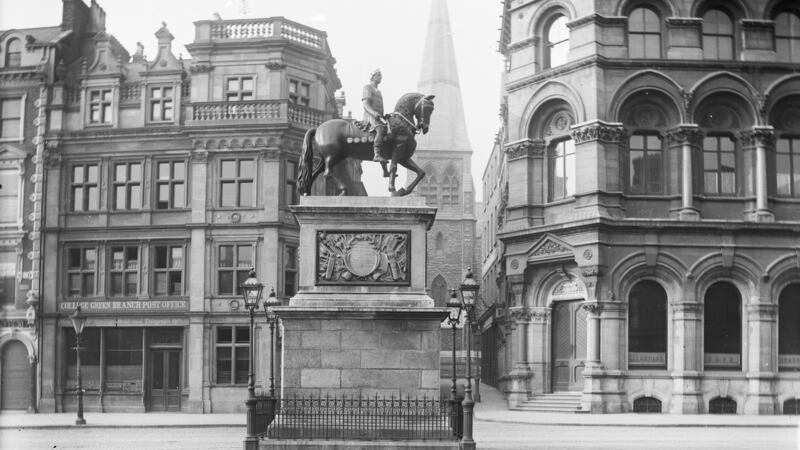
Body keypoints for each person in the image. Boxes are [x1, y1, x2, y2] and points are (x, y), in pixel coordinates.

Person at [362, 69, 388, 162]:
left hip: (379, 117)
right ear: (372, 77)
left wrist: (384, 116)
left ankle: (385, 169)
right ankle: (376, 155)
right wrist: (374, 113)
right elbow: (365, 104)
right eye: (378, 75)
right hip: (370, 116)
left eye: (381, 75)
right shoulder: (368, 87)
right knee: (380, 130)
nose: (381, 77)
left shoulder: (379, 91)